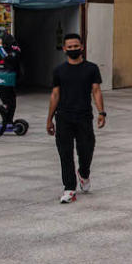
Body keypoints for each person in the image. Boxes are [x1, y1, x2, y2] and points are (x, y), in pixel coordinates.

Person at [46, 34, 107, 204]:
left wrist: (101, 112)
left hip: (84, 117)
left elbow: (96, 91)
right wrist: (49, 119)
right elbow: (55, 94)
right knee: (65, 153)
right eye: (69, 47)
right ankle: (69, 188)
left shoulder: (91, 68)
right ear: (64, 49)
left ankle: (84, 173)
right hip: (63, 117)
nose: (73, 49)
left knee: (86, 149)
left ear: (82, 47)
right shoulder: (59, 70)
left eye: (76, 46)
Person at [0, 32, 21, 123]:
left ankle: (7, 120)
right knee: (8, 102)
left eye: (2, 41)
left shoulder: (14, 51)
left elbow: (9, 59)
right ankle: (7, 120)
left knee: (10, 102)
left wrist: (1, 48)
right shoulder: (5, 52)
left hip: (8, 80)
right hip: (1, 81)